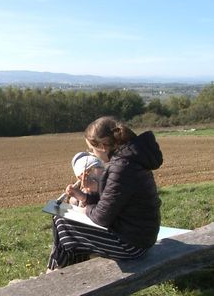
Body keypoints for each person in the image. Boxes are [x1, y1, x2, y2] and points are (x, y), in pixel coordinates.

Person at [47, 116, 163, 271]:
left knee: (62, 222)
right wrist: (84, 197)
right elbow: (113, 198)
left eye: (92, 149)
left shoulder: (122, 167)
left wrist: (82, 210)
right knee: (65, 223)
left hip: (132, 245)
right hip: (140, 235)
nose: (92, 153)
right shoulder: (129, 160)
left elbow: (101, 217)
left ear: (102, 146)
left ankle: (56, 273)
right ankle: (64, 271)